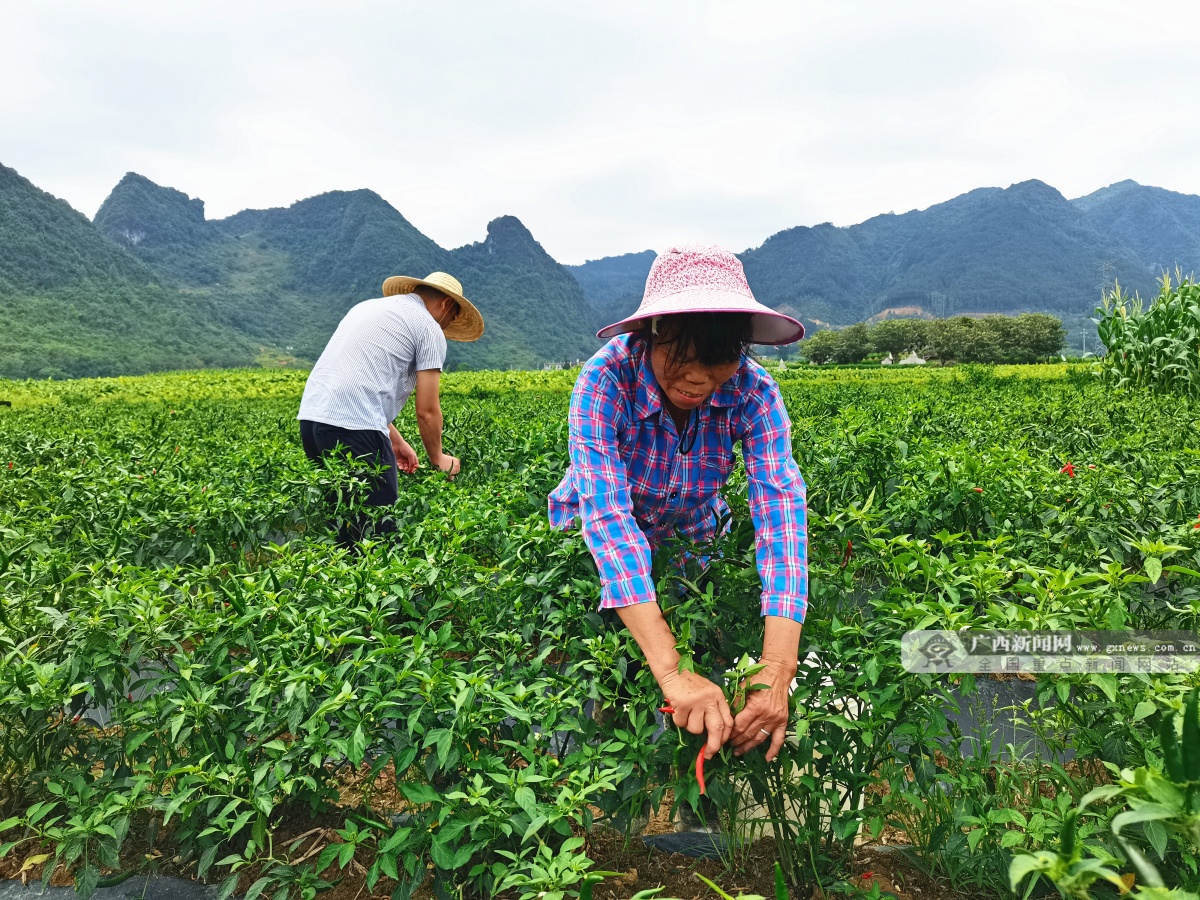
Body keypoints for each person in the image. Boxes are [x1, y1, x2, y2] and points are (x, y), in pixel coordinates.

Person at [548, 245, 808, 768]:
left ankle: (696, 788)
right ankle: (618, 776)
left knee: (702, 655)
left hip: (693, 537)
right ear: (652, 334)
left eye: (718, 360)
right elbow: (609, 521)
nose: (698, 379)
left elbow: (780, 515)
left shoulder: (754, 392)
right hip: (604, 540)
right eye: (680, 356)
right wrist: (668, 671)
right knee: (619, 668)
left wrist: (777, 666)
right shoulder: (605, 380)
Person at [298, 271, 484, 544]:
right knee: (377, 534)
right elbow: (427, 410)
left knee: (345, 527)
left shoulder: (367, 308)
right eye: (452, 319)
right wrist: (439, 459)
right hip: (355, 428)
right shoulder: (428, 327)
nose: (446, 326)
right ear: (445, 304)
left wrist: (395, 441)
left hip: (313, 422)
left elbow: (357, 384)